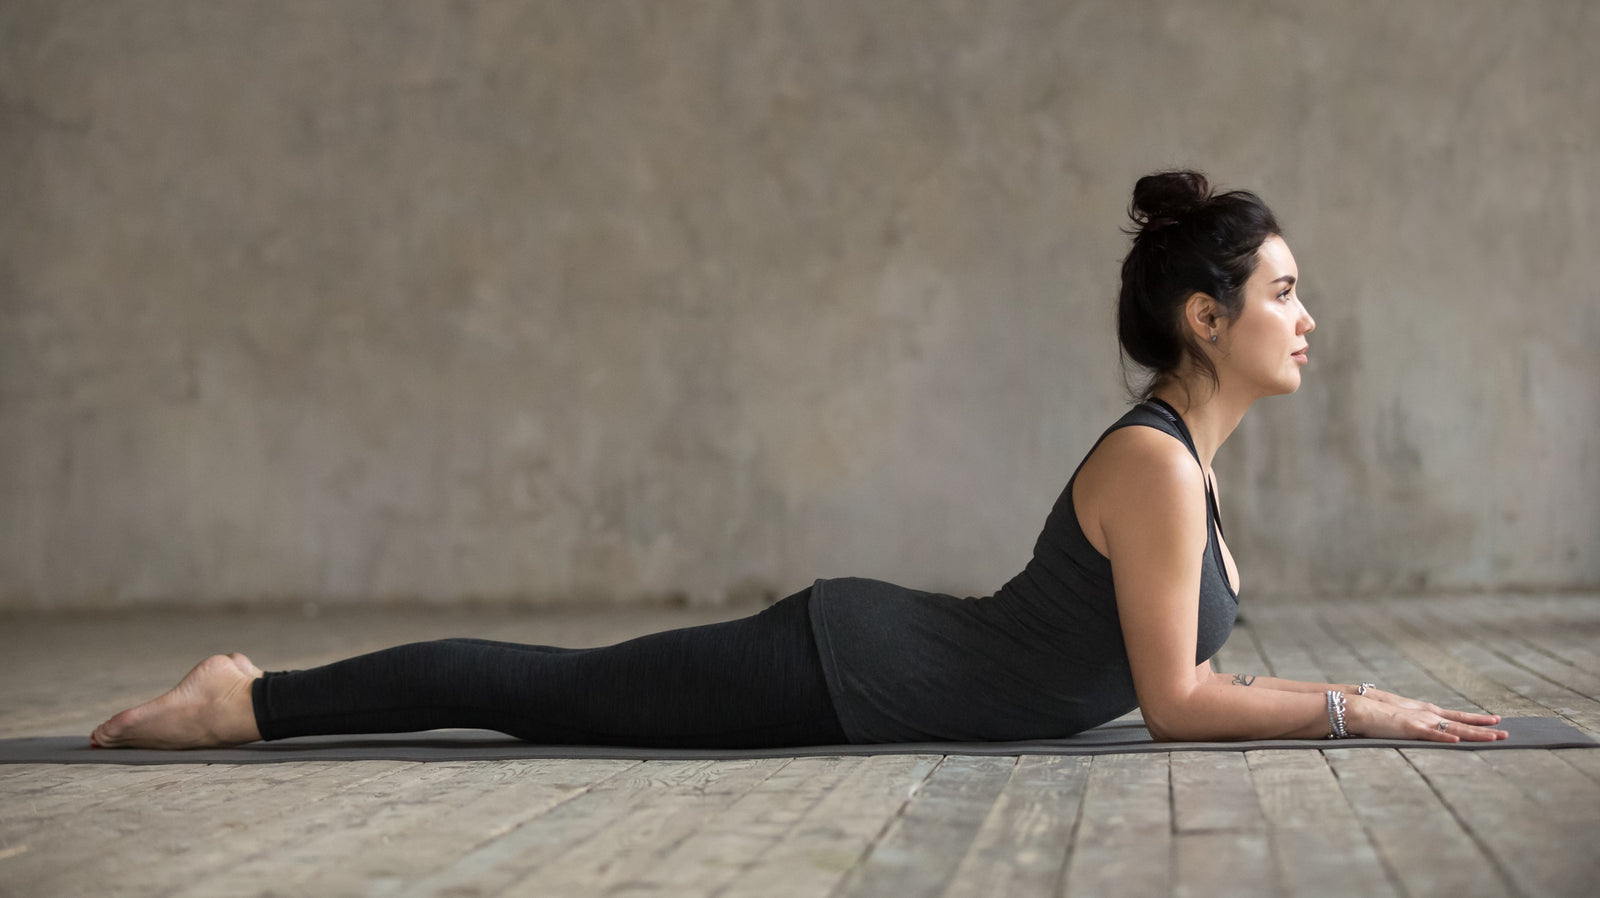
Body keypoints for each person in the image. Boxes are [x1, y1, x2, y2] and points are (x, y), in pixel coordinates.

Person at [91, 171, 1508, 751]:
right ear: (1208, 318)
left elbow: (1167, 679)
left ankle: (252, 695)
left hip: (874, 662)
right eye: (1282, 292)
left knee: (552, 694)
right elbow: (1177, 698)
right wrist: (1354, 705)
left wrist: (1336, 698)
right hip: (842, 666)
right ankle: (250, 698)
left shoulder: (1189, 468)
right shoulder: (1151, 464)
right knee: (547, 692)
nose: (1308, 317)